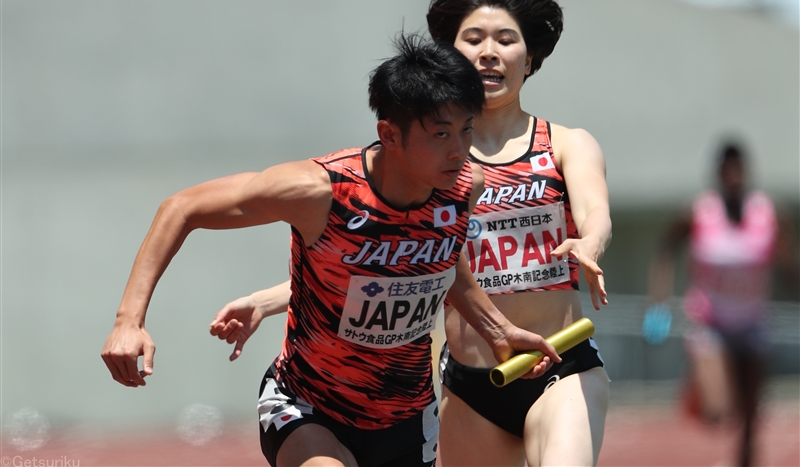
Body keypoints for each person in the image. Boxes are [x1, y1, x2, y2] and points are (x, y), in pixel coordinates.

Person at [101, 34, 560, 467]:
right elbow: (181, 208)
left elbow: (442, 258)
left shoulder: (463, 187)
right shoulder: (319, 190)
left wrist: (497, 329)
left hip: (406, 415)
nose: (461, 150)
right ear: (390, 133)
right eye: (441, 135)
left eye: (466, 130)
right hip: (308, 407)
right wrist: (128, 321)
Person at [212, 0, 612, 467]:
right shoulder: (424, 161)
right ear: (447, 59)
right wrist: (267, 300)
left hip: (557, 364)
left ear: (529, 60)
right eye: (473, 40)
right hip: (469, 387)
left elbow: (596, 215)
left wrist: (588, 242)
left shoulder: (565, 144)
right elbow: (381, 266)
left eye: (506, 40)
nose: (489, 53)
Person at [646, 141, 796, 467]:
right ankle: (698, 389)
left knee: (751, 415)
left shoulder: (767, 212)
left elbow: (790, 262)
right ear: (717, 174)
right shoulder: (700, 211)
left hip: (753, 322)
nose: (734, 178)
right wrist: (659, 299)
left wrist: (789, 266)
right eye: (727, 171)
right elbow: (666, 249)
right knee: (720, 412)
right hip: (710, 322)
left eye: (739, 170)